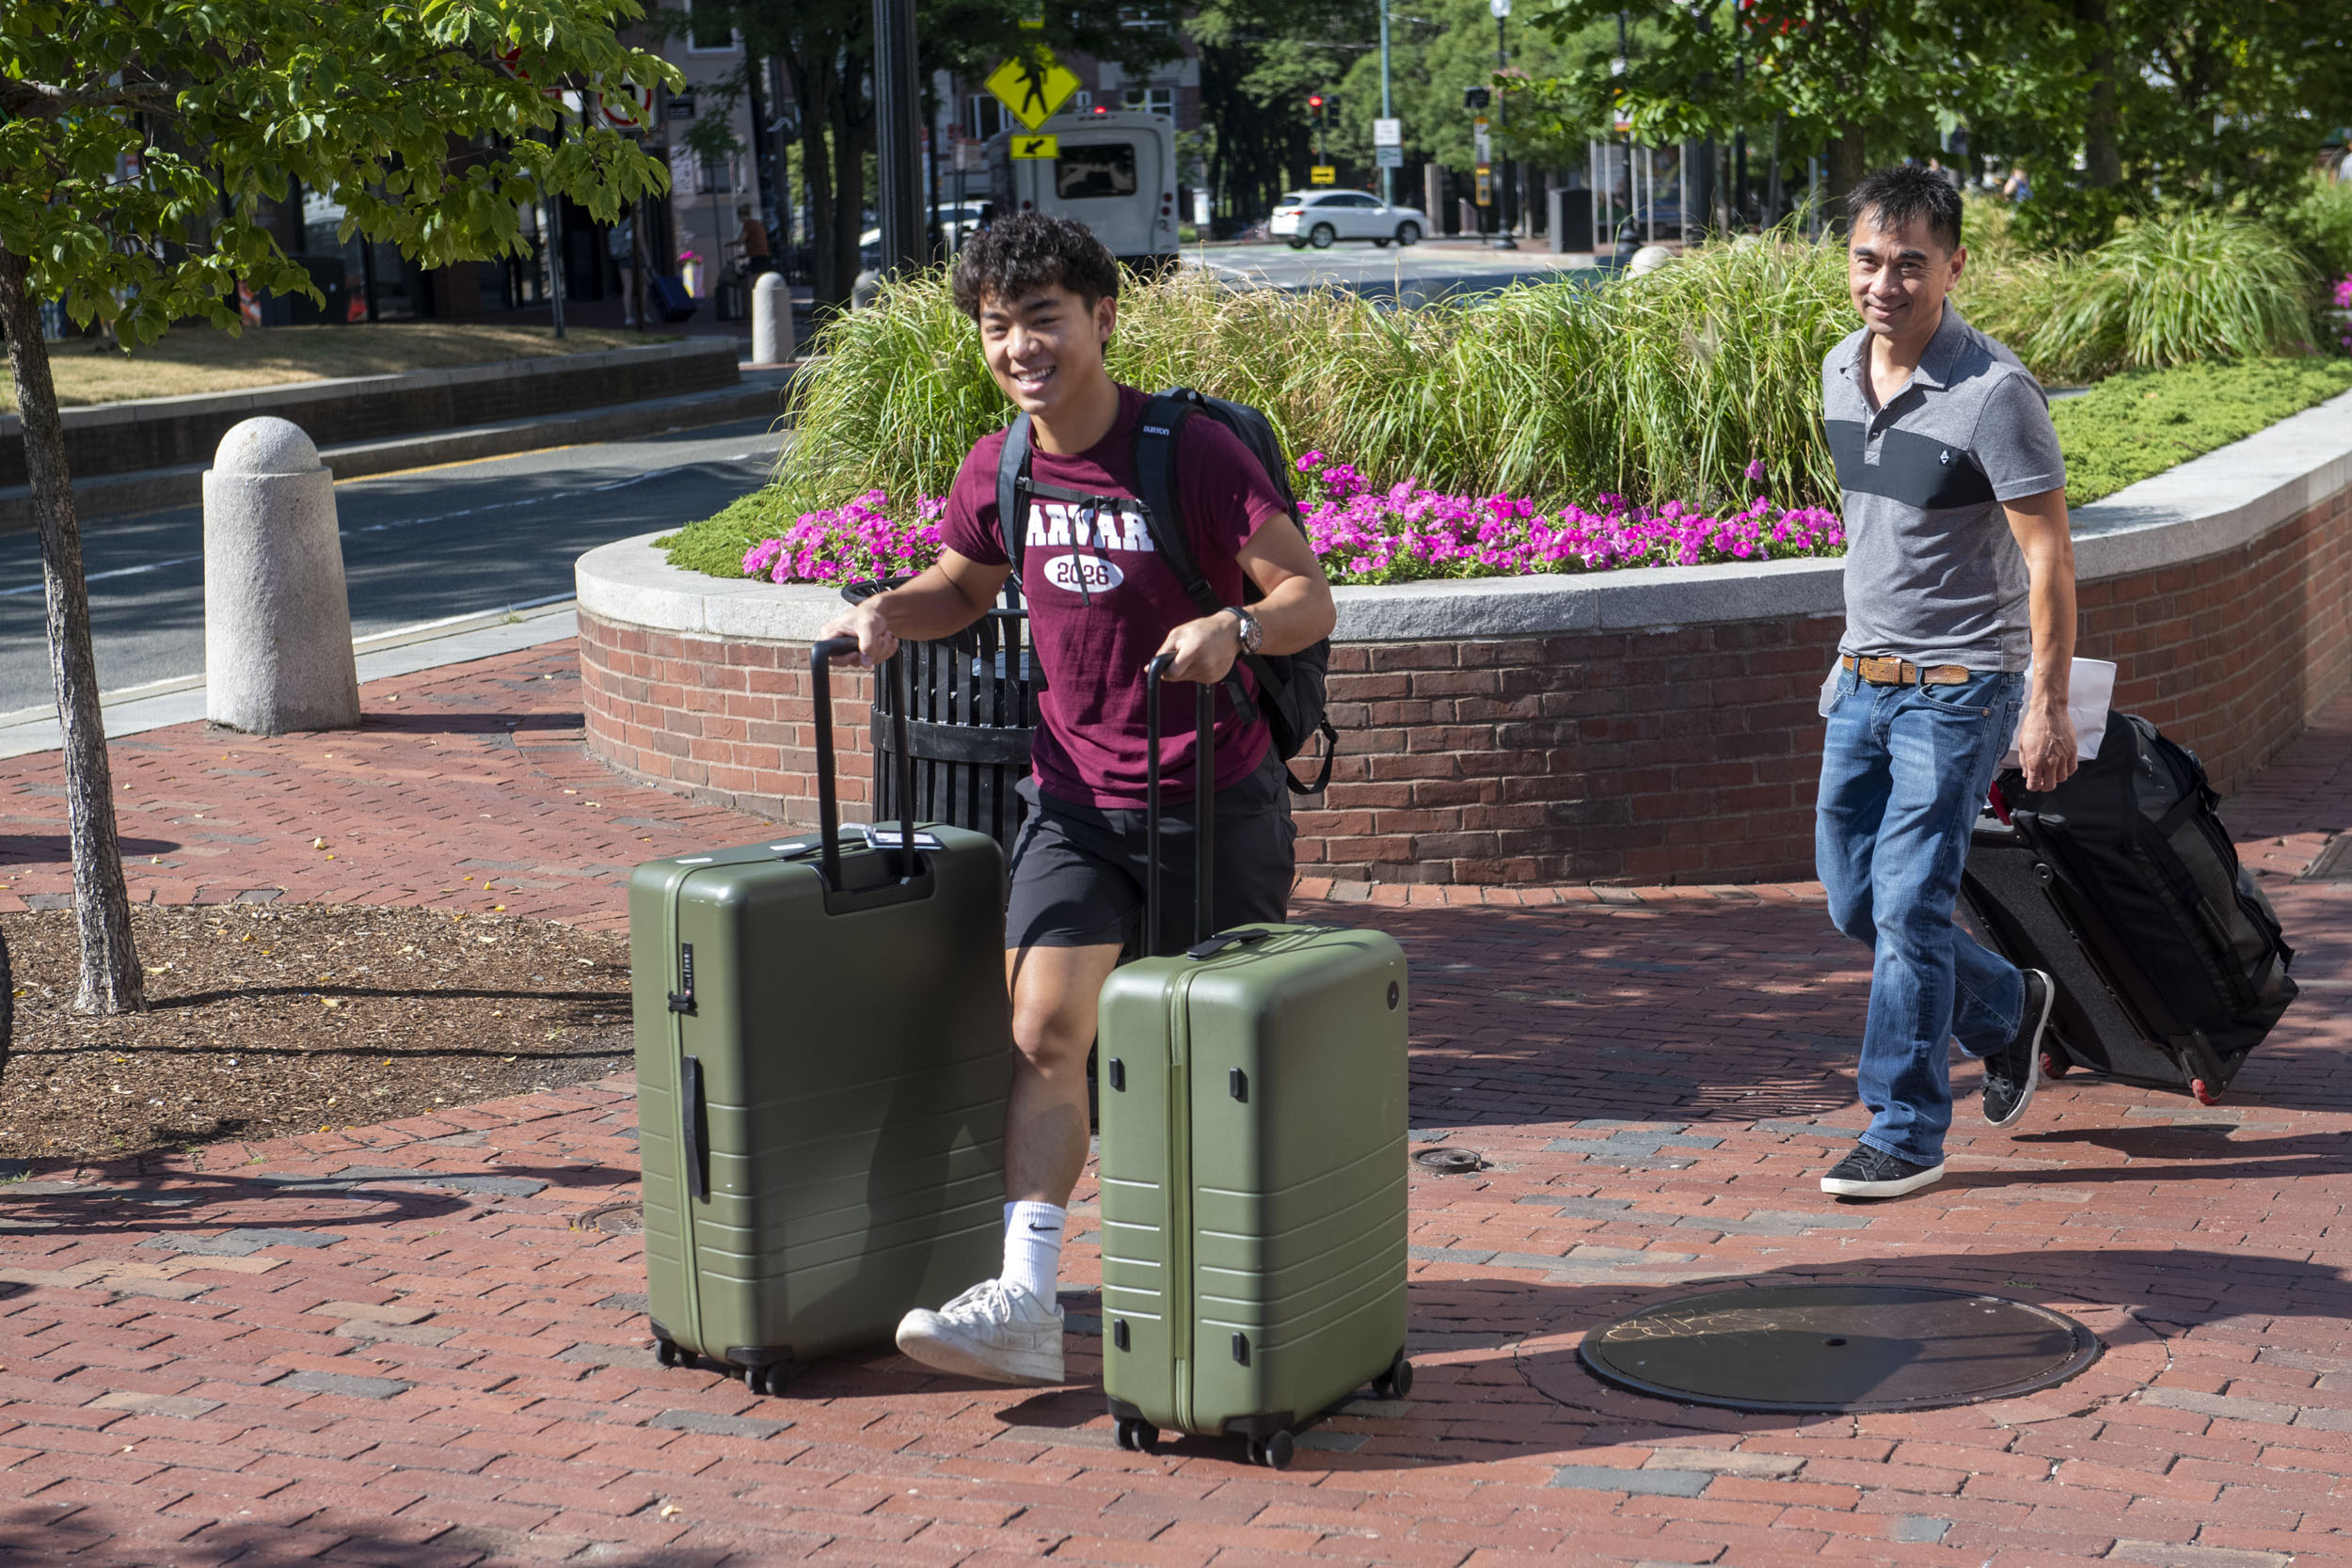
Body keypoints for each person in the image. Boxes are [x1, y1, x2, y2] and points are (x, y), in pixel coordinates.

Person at [818, 213, 1337, 1383]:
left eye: (1043, 318)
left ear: (1101, 319)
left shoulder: (1190, 453)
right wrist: (888, 613)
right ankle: (1026, 1295)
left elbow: (1308, 595)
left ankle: (1240, 1284)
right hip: (1071, 795)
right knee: (1045, 1029)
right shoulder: (1000, 464)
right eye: (998, 326)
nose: (1020, 346)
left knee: (1214, 1053)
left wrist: (1234, 625)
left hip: (1217, 799)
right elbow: (962, 583)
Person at [1814, 166, 2079, 1200]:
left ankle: (1905, 1126)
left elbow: (2048, 554)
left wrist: (2042, 701)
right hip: (1859, 680)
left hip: (1959, 686)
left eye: (1910, 263)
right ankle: (2008, 1002)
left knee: (1911, 903)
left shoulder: (1993, 393)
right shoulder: (1839, 366)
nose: (1885, 282)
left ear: (1953, 267)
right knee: (1854, 901)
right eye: (1868, 260)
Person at [736, 204, 773, 277]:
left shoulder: (749, 224)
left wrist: (734, 243)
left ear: (743, 215)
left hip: (757, 257)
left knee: (754, 278)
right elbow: (756, 241)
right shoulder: (757, 223)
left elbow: (741, 240)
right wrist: (745, 254)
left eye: (739, 217)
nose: (739, 219)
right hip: (764, 256)